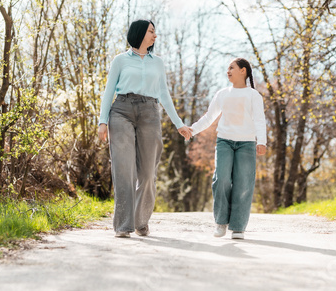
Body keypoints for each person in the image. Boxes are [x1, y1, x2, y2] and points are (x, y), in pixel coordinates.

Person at [98, 19, 191, 238]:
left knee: (148, 173)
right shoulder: (120, 60)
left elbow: (164, 94)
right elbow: (109, 90)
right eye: (151, 31)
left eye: (155, 32)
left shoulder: (157, 63)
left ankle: (141, 220)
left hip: (150, 112)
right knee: (124, 170)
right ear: (140, 33)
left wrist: (179, 124)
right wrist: (103, 121)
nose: (155, 36)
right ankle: (123, 225)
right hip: (121, 111)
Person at [189, 57, 266, 240]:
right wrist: (192, 130)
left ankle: (238, 227)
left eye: (232, 68)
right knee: (221, 179)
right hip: (224, 141)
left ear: (243, 71)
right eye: (227, 68)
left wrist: (261, 141)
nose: (228, 71)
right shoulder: (222, 93)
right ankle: (221, 222)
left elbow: (259, 120)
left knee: (243, 183)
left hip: (246, 144)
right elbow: (209, 118)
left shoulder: (254, 96)